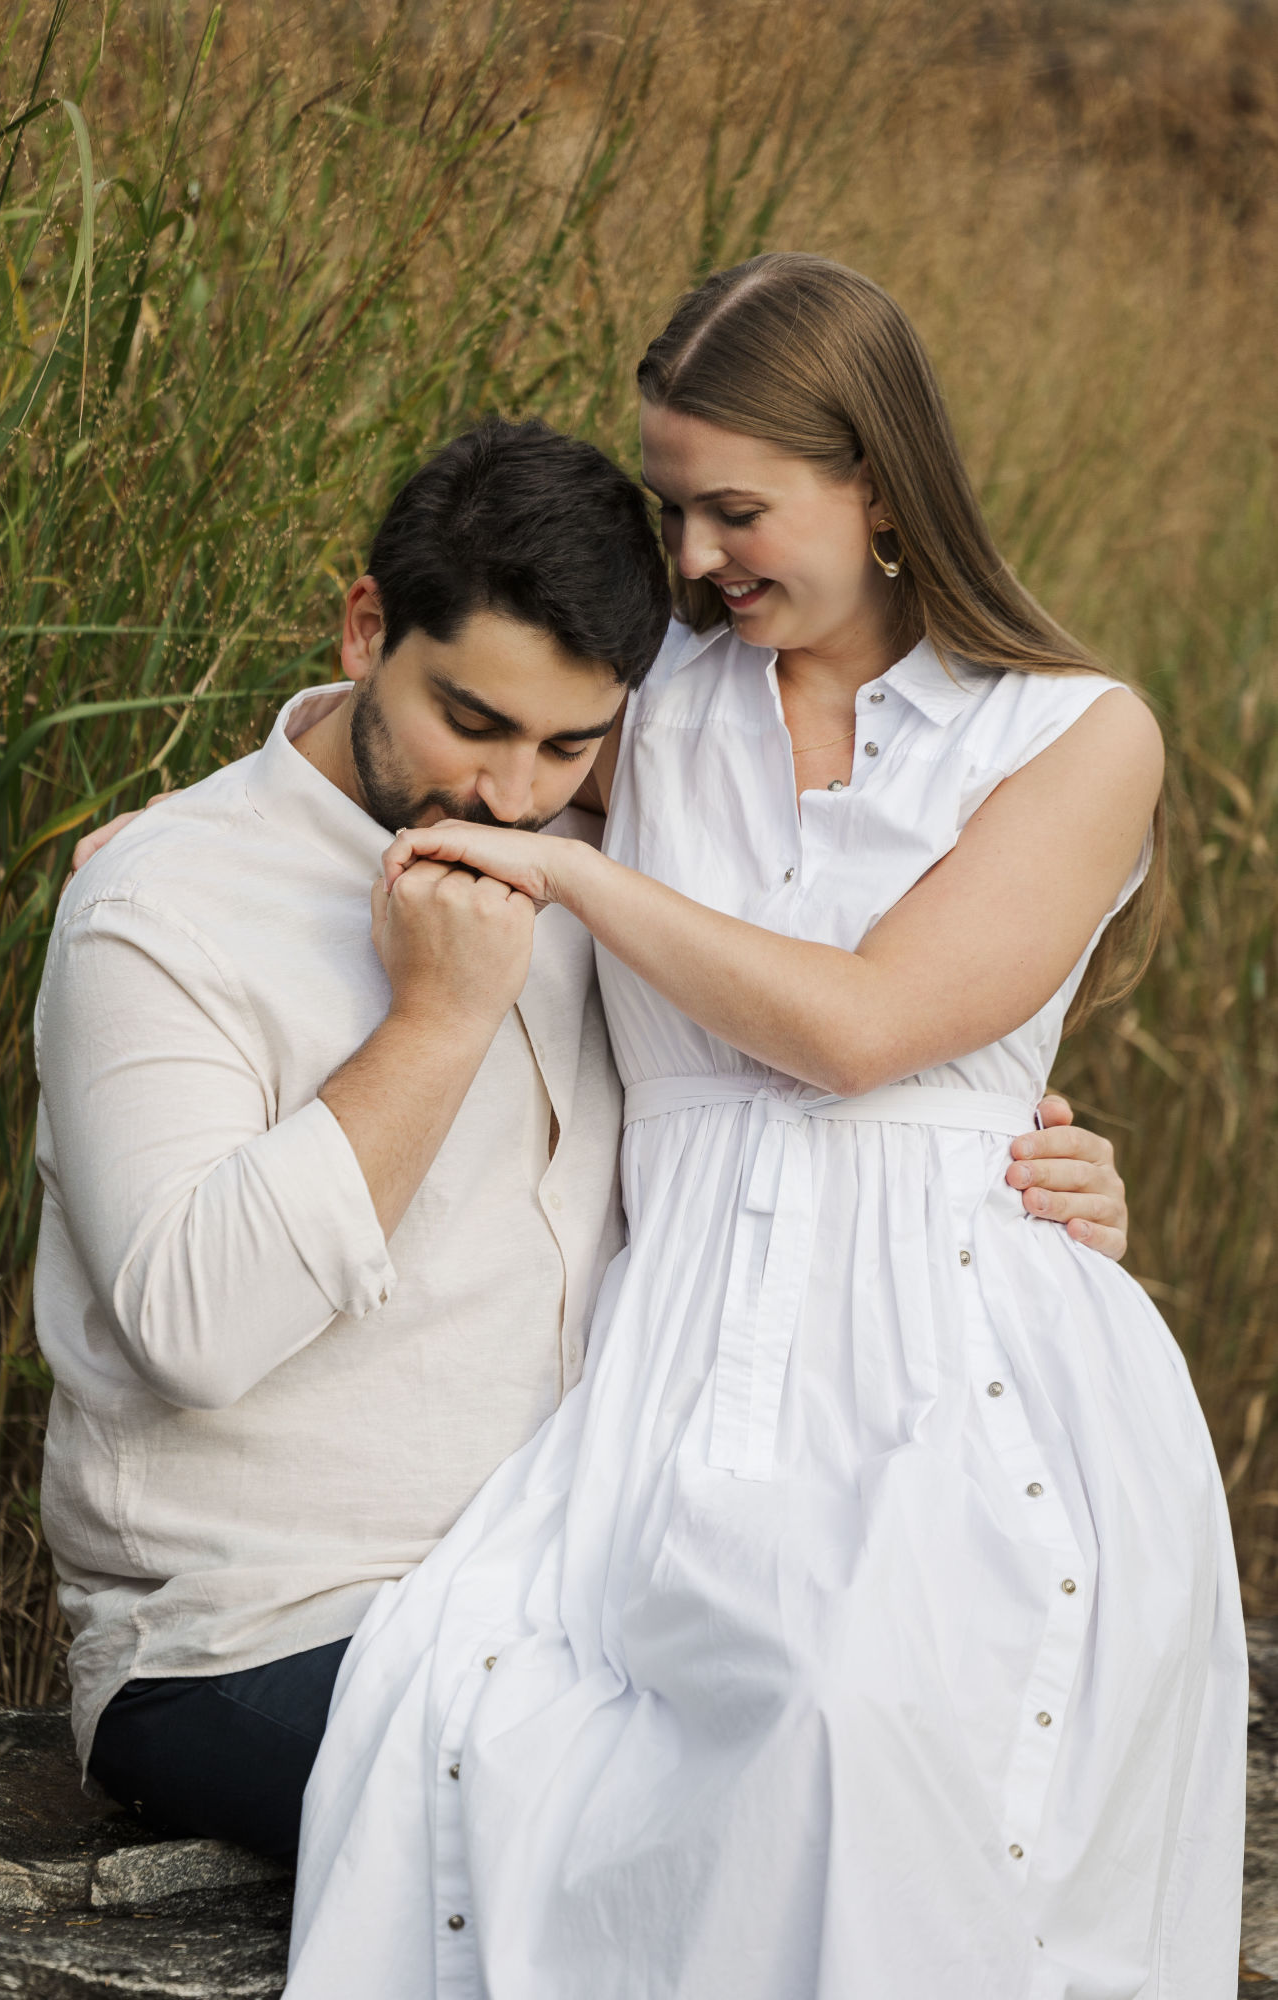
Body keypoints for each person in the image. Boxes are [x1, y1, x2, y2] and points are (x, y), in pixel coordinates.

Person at [286, 258, 1245, 2000]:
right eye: (674, 508)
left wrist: (575, 871)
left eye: (738, 507)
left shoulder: (1075, 734)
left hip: (953, 1354)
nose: (701, 555)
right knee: (495, 1715)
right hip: (677, 1353)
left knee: (855, 1727)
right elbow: (421, 731)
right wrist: (203, 832)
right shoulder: (656, 702)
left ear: (878, 482)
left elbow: (870, 1030)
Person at [40, 415, 1127, 1865]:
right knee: (690, 1864)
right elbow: (194, 1325)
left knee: (942, 1778)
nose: (509, 796)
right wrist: (431, 1025)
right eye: (471, 723)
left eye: (569, 744)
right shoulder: (161, 906)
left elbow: (803, 1088)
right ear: (366, 628)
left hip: (575, 1597)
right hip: (252, 1635)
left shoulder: (603, 871)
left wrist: (1019, 1174)